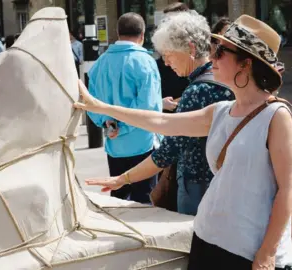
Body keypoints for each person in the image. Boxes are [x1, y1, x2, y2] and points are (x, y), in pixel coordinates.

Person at [77, 15, 292, 269]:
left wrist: (268, 252)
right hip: (208, 238)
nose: (212, 58)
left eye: (221, 52)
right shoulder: (221, 111)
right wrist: (100, 107)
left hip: (250, 249)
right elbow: (159, 122)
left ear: (245, 63)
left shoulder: (276, 116)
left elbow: (289, 188)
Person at [81, 11, 234, 216]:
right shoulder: (221, 79)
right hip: (219, 180)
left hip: (198, 185)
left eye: (168, 55)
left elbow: (166, 141)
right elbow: (153, 112)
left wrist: (121, 178)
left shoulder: (197, 91)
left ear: (190, 48)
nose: (166, 63)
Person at [86, 12, 162, 204]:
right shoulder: (146, 62)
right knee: (144, 202)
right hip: (143, 143)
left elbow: (90, 102)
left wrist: (110, 126)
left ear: (117, 33)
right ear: (143, 35)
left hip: (115, 146)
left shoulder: (100, 63)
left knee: (119, 200)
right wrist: (123, 127)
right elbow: (147, 108)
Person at [157, 2, 190, 113]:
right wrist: (159, 103)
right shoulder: (159, 61)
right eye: (164, 22)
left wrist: (179, 101)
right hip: (164, 121)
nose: (165, 27)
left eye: (170, 22)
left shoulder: (194, 56)